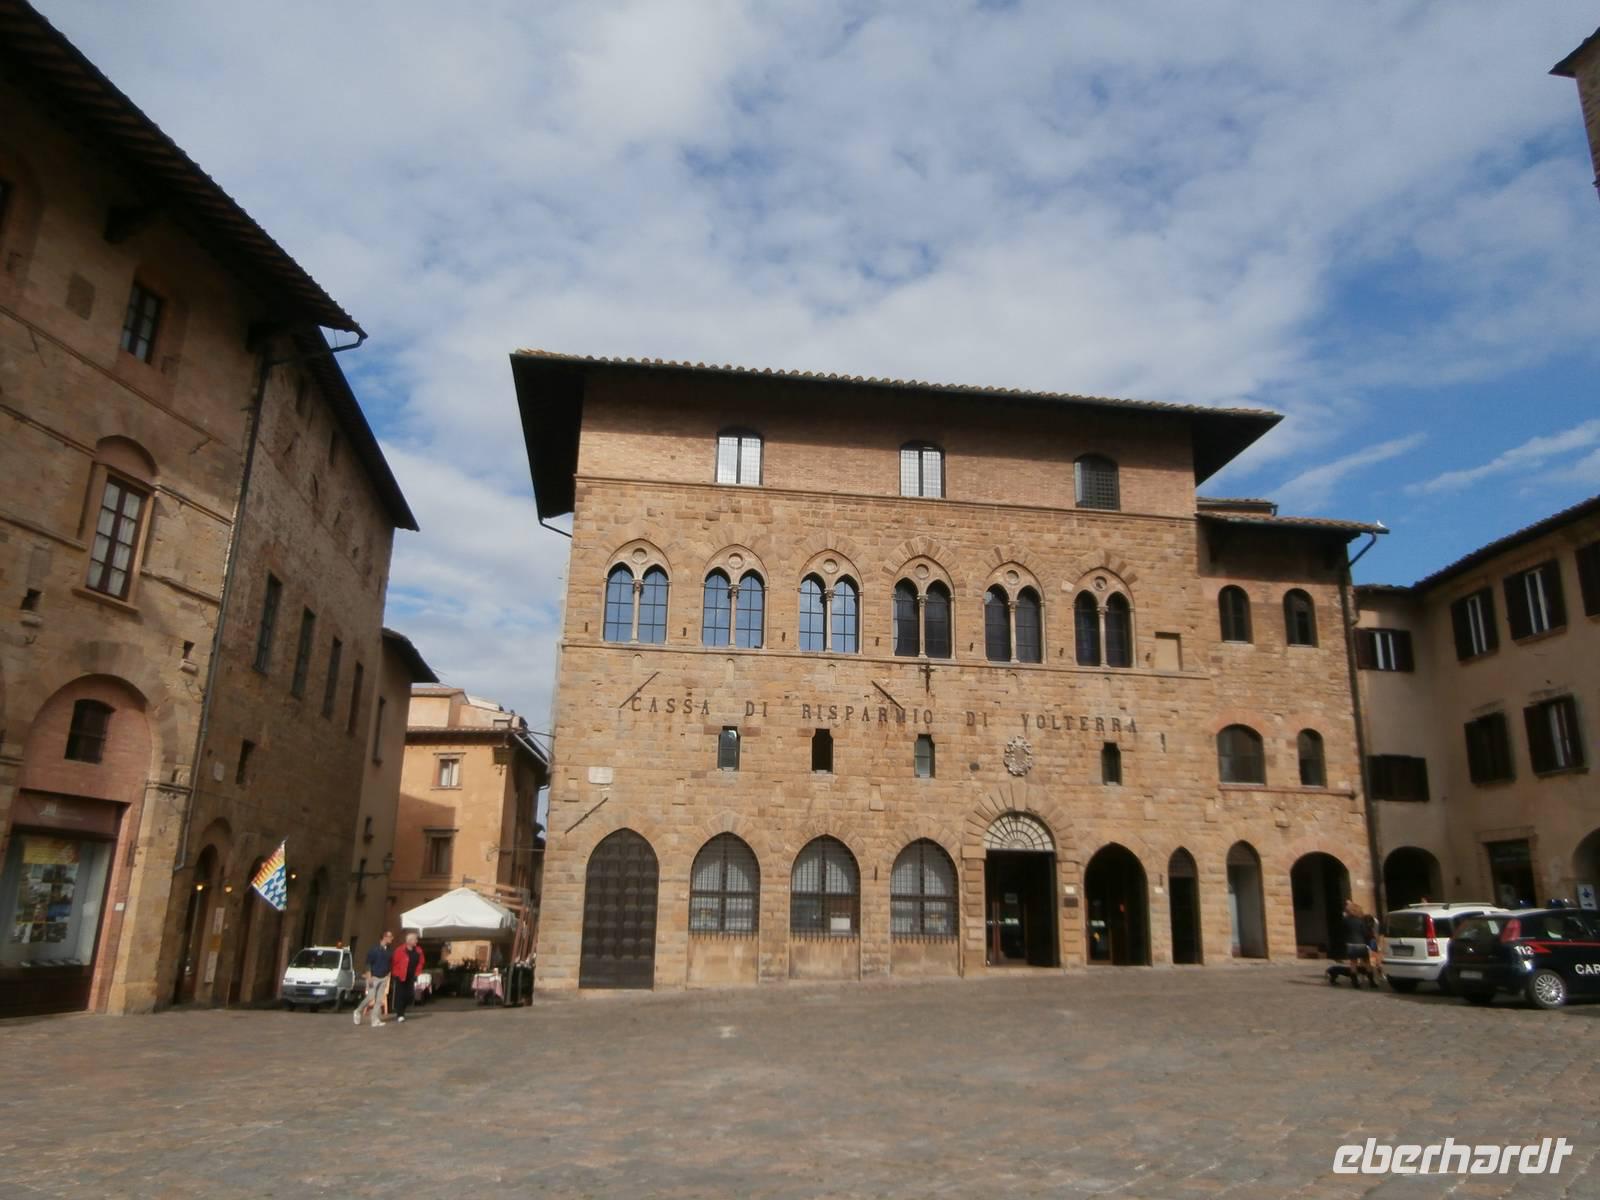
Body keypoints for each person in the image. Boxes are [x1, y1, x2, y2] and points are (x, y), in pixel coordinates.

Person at [353, 930, 393, 1027]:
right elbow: (368, 963)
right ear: (384, 937)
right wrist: (369, 976)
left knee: (379, 1000)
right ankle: (358, 1011)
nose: (392, 938)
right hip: (374, 977)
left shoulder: (389, 950)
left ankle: (375, 1020)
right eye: (390, 936)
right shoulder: (374, 950)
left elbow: (390, 963)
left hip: (384, 977)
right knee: (370, 997)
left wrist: (388, 974)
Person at [390, 931, 426, 1023]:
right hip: (401, 975)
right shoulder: (400, 950)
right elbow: (394, 963)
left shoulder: (418, 950)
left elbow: (421, 962)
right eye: (415, 939)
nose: (417, 941)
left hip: (411, 976)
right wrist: (396, 974)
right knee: (400, 995)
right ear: (409, 941)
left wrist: (417, 972)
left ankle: (402, 1011)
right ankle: (400, 1014)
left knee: (409, 995)